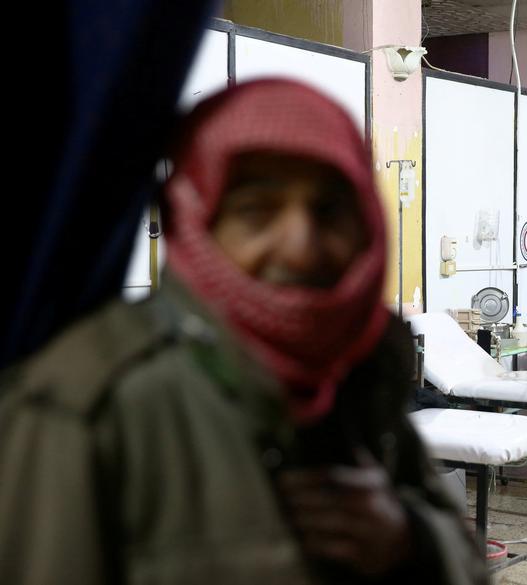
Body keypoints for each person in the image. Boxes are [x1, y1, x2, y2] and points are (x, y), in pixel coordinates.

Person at [0, 79, 488, 585]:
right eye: (255, 211)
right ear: (195, 219)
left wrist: (409, 541)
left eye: (329, 210)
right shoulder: (93, 401)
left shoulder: (355, 368)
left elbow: (465, 564)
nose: (301, 248)